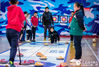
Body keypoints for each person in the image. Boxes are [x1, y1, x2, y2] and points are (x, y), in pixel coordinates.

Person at [6, 0, 25, 67]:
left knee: (12, 47)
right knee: (14, 47)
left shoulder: (8, 10)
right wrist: (21, 25)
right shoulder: (18, 8)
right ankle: (11, 61)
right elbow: (22, 18)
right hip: (15, 30)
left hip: (8, 30)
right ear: (17, 2)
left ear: (10, 2)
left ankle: (11, 59)